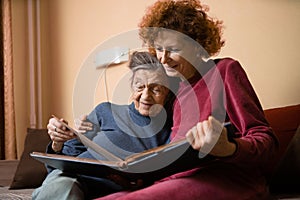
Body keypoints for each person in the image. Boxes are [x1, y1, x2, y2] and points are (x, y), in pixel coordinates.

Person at [95, 0, 279, 199]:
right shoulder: (174, 92)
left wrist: (228, 148)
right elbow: (170, 157)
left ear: (197, 45)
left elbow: (266, 142)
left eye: (173, 49)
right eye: (158, 48)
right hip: (176, 181)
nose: (163, 58)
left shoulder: (224, 71)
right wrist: (139, 178)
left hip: (229, 179)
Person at [32, 51, 176, 200]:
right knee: (62, 188)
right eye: (140, 86)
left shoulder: (171, 130)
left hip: (114, 189)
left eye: (156, 89)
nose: (146, 96)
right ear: (132, 87)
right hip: (72, 180)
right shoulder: (105, 111)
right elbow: (62, 163)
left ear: (167, 93)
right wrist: (57, 143)